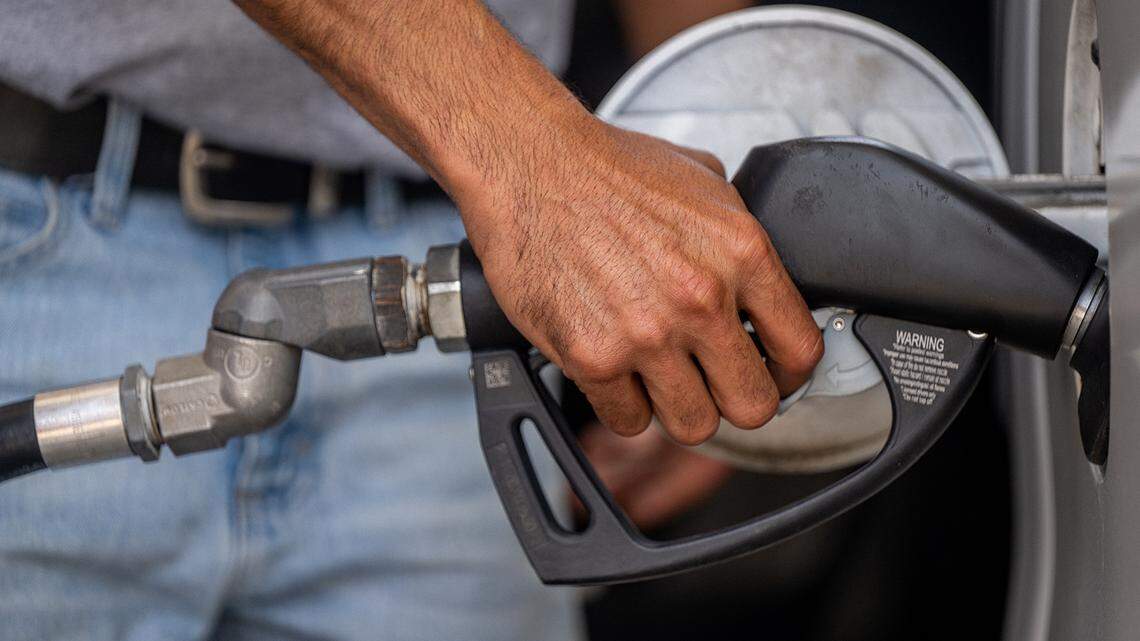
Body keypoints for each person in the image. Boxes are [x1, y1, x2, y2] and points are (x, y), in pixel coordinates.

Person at [0, 1, 822, 639]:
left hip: (463, 261)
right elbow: (537, 163)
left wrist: (694, 280)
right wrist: (534, 156)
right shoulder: (530, 157)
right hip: (52, 245)